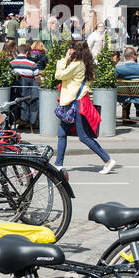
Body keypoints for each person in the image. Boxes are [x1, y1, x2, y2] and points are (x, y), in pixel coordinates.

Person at [52, 38, 116, 175]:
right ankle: (58, 164)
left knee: (84, 137)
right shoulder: (84, 63)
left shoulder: (77, 64)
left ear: (77, 50)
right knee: (62, 133)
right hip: (78, 102)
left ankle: (108, 160)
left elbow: (59, 75)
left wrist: (64, 59)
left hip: (76, 103)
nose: (69, 49)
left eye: (72, 47)